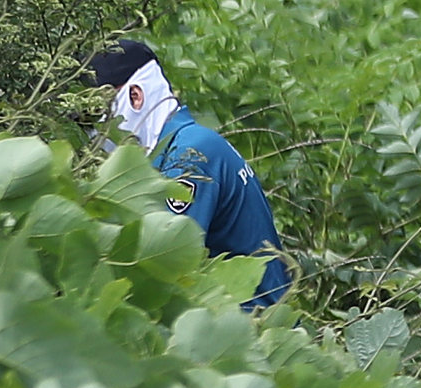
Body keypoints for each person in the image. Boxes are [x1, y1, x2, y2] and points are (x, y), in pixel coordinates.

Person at [89, 40, 290, 310]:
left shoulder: (189, 154)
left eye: (95, 113)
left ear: (135, 96)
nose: (93, 129)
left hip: (252, 326)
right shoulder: (179, 145)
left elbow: (164, 261)